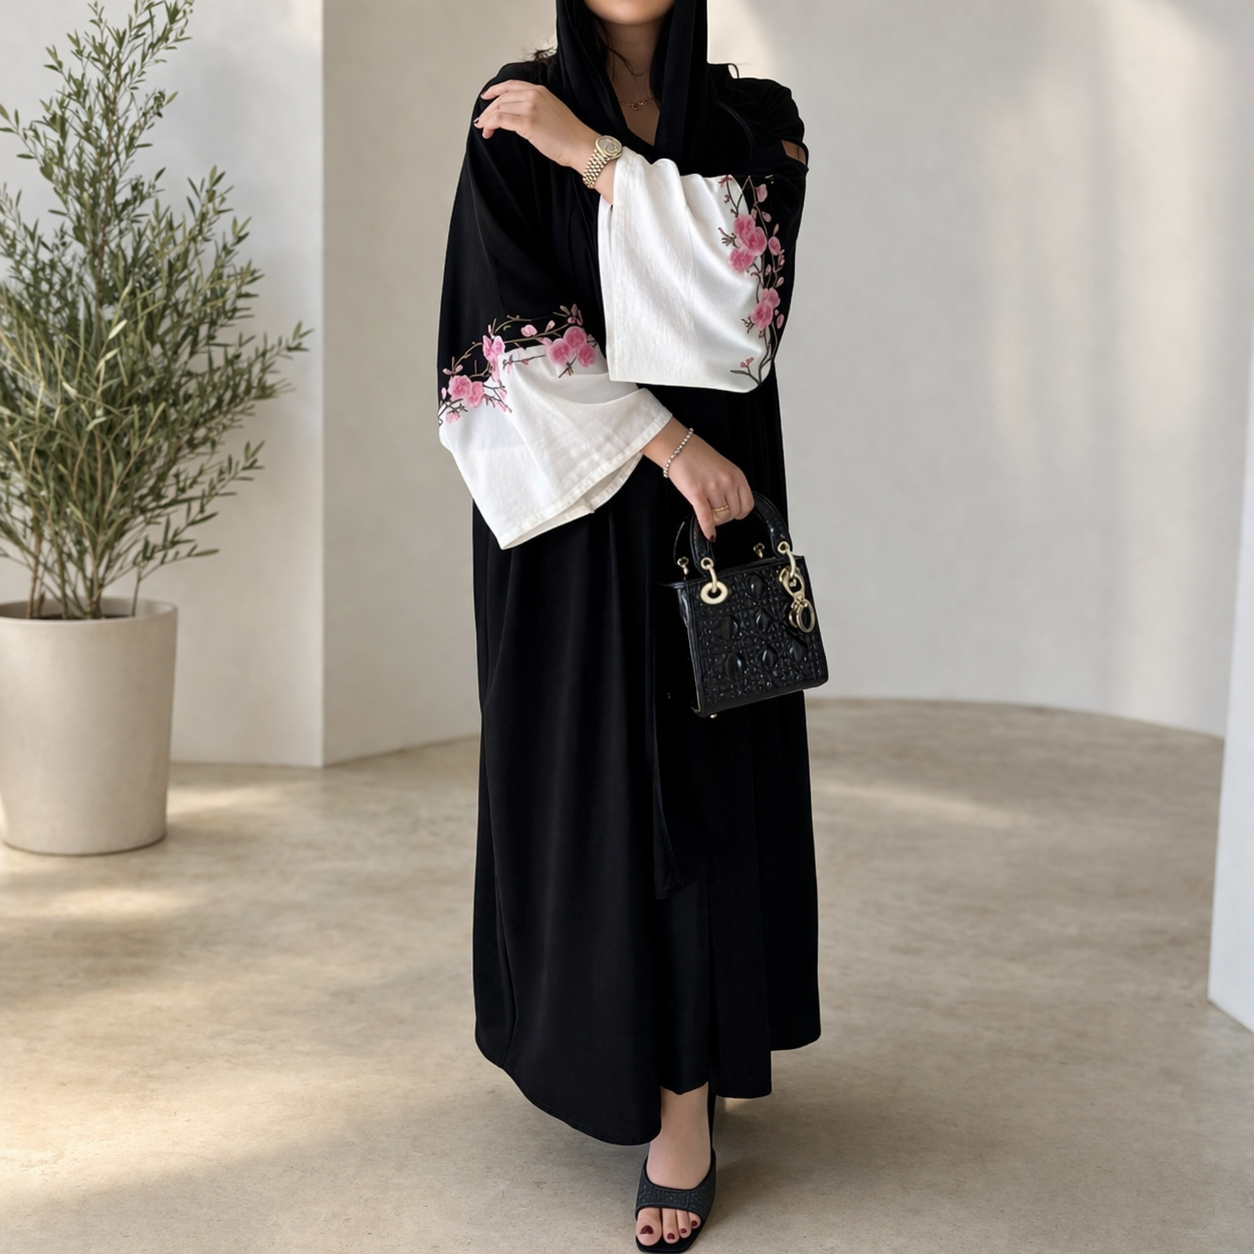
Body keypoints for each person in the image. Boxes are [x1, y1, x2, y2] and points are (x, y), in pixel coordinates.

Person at [436, 0, 819, 1246]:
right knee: (599, 792)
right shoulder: (513, 108)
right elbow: (499, 336)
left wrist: (594, 157)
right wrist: (669, 441)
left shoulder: (757, 120)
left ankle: (685, 1103)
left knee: (706, 791)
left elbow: (744, 304)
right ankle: (622, 1053)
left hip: (715, 512)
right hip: (578, 516)